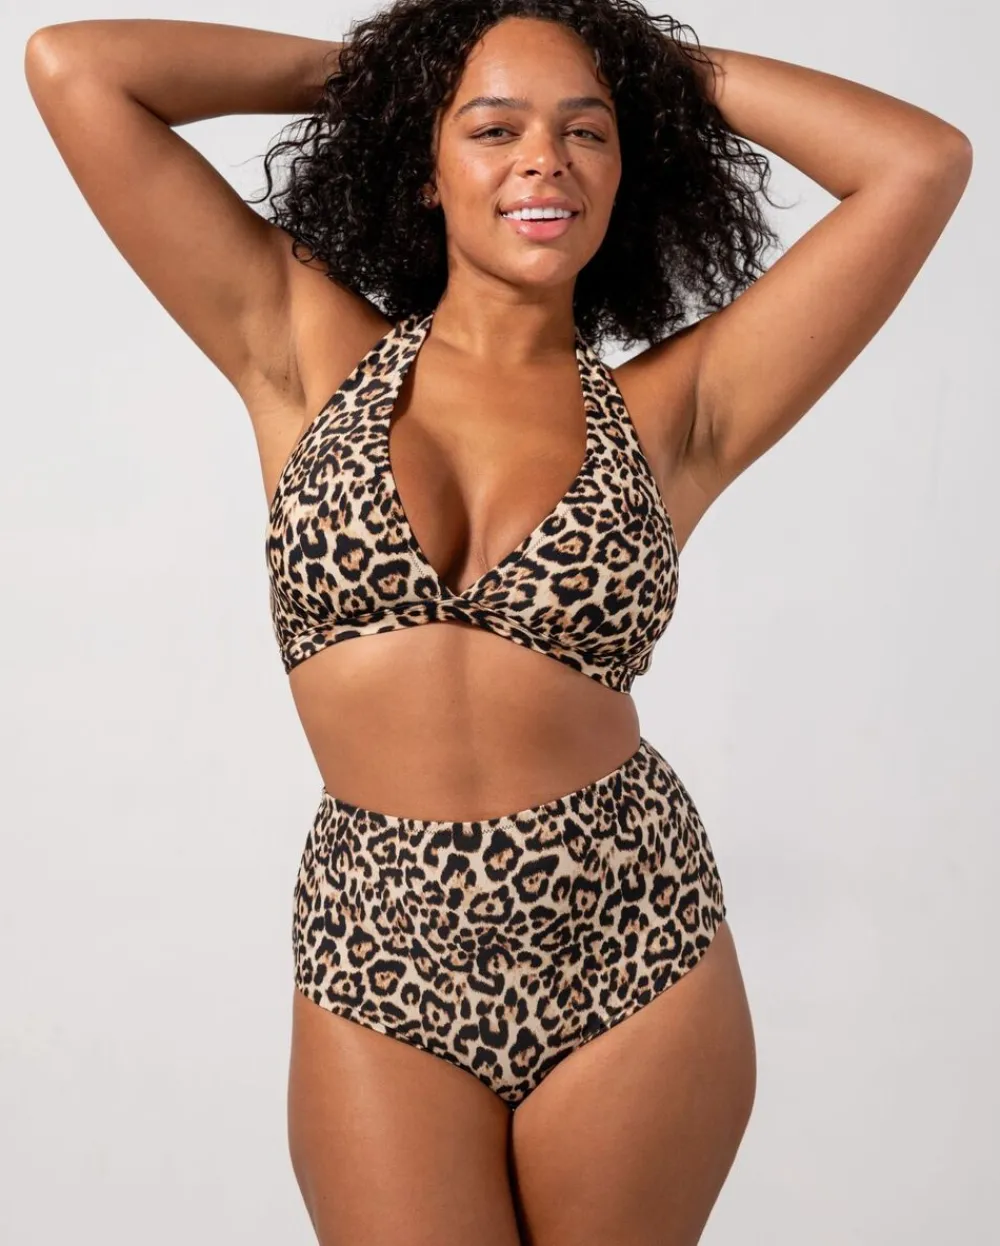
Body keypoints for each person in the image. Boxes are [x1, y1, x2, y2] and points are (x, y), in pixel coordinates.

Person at [25, 4, 971, 1242]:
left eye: (587, 132)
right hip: (380, 942)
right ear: (423, 165)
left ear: (626, 170)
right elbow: (76, 69)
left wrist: (637, 69)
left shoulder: (677, 411)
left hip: (629, 937)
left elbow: (918, 162)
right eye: (493, 130)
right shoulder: (301, 348)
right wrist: (402, 77)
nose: (545, 160)